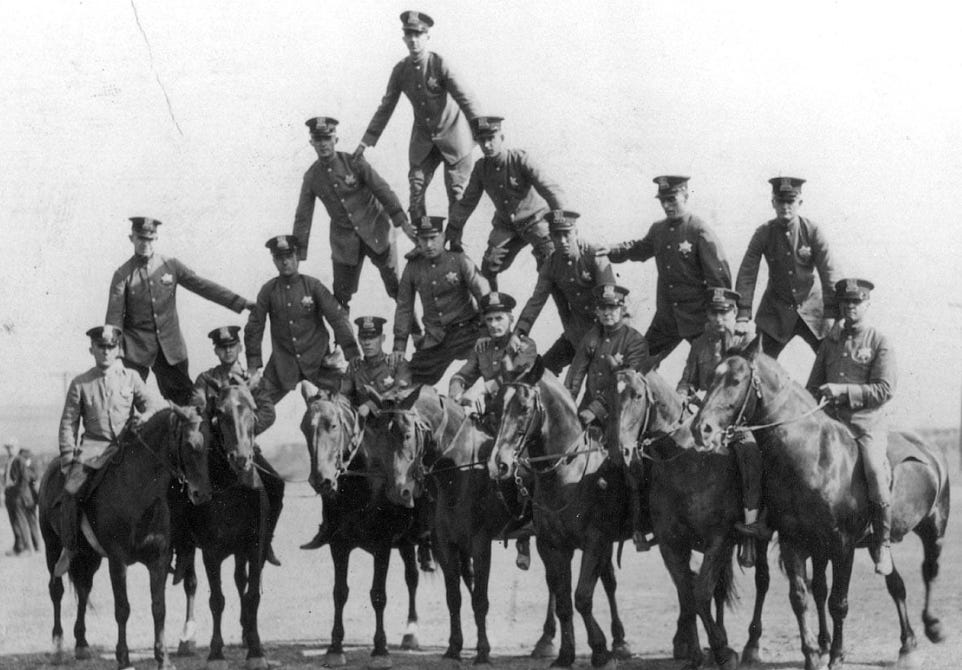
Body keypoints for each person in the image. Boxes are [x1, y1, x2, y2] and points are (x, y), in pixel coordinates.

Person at [55, 325, 166, 577]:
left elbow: (154, 406)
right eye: (100, 347)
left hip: (127, 448)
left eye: (110, 347)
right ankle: (70, 547)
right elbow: (68, 423)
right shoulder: (80, 383)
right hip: (92, 450)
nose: (105, 352)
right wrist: (68, 458)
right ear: (91, 349)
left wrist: (145, 416)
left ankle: (164, 546)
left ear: (118, 349)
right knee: (71, 490)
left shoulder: (131, 378)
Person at [106, 217, 254, 405]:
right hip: (135, 350)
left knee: (187, 405)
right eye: (140, 238)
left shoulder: (170, 266)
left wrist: (240, 302)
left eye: (149, 239)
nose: (145, 243)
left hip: (171, 349)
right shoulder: (122, 274)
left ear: (156, 239)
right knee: (123, 401)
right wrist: (115, 356)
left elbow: (203, 286)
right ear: (131, 238)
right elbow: (114, 318)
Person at [806, 278, 895, 575]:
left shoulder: (878, 341)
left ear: (867, 304)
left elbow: (884, 389)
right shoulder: (829, 343)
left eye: (856, 302)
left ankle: (882, 543)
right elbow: (811, 387)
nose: (850, 308)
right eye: (846, 302)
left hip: (865, 423)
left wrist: (843, 391)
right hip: (830, 423)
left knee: (873, 468)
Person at [300, 315, 412, 551]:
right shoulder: (355, 368)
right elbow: (345, 393)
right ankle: (329, 526)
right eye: (363, 337)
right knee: (333, 468)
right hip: (363, 431)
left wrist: (372, 405)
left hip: (391, 429)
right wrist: (328, 399)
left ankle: (419, 530)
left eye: (372, 338)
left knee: (405, 467)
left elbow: (400, 393)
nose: (367, 342)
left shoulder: (396, 364)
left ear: (382, 338)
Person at [354, 11, 481, 220]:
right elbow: (386, 106)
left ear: (427, 37)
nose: (414, 40)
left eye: (418, 35)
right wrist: (366, 141)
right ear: (404, 38)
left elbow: (465, 97)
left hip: (455, 139)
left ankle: (454, 245)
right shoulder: (401, 70)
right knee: (416, 189)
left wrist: (482, 131)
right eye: (409, 35)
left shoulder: (439, 64)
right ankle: (422, 242)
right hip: (424, 143)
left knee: (457, 195)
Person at [676, 288, 770, 567]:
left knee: (750, 458)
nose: (719, 319)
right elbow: (686, 381)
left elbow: (756, 386)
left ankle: (750, 530)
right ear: (707, 315)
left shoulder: (748, 342)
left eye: (724, 313)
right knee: (671, 454)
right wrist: (683, 394)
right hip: (705, 419)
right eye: (714, 313)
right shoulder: (699, 345)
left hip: (739, 422)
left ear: (733, 314)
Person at [448, 291, 538, 569]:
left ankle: (524, 532)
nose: (495, 324)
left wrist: (484, 388)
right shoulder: (482, 347)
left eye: (500, 318)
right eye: (489, 319)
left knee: (523, 470)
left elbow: (517, 375)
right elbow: (463, 373)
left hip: (518, 422)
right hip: (490, 422)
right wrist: (455, 390)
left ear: (511, 318)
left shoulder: (524, 344)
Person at [602, 176, 732, 363]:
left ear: (685, 196)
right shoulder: (658, 230)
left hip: (698, 320)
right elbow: (638, 249)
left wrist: (718, 319)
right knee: (636, 363)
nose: (667, 206)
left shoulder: (699, 230)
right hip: (667, 319)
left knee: (714, 370)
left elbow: (719, 280)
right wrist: (612, 250)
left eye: (672, 199)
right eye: (663, 200)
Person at [292, 116, 416, 310]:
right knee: (340, 296)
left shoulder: (354, 162)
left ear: (336, 140)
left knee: (395, 288)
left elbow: (382, 189)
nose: (323, 144)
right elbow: (303, 217)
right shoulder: (312, 176)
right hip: (344, 243)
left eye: (327, 138)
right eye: (318, 140)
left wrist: (402, 221)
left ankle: (415, 333)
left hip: (377, 231)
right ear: (311, 143)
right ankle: (345, 340)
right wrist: (297, 254)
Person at [186, 326, 284, 568]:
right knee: (183, 486)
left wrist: (244, 432)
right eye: (223, 347)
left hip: (245, 449)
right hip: (215, 450)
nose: (228, 351)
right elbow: (197, 407)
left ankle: (266, 540)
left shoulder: (253, 381)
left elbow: (268, 412)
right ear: (216, 351)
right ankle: (184, 546)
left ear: (240, 347)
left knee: (276, 484)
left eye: (232, 346)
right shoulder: (206, 379)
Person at [444, 116, 565, 290]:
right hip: (506, 227)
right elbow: (467, 203)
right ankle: (494, 309)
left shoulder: (520, 159)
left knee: (551, 265)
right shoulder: (481, 168)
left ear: (501, 138)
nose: (487, 145)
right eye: (481, 140)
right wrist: (451, 230)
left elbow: (550, 189)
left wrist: (561, 222)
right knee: (489, 267)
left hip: (536, 221)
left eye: (491, 138)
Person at [245, 235, 360, 404]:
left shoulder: (313, 286)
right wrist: (253, 367)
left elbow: (338, 318)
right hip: (282, 366)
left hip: (319, 362)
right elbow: (255, 326)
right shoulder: (268, 290)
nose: (285, 262)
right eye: (279, 258)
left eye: (289, 256)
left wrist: (352, 354)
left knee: (354, 397)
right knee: (252, 406)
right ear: (274, 261)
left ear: (297, 256)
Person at [734, 177, 841, 357]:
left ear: (800, 202)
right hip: (776, 312)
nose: (785, 206)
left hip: (813, 311)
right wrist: (742, 316)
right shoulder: (763, 232)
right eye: (780, 201)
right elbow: (747, 273)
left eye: (790, 201)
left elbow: (829, 271)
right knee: (756, 363)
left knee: (833, 360)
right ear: (773, 203)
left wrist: (833, 314)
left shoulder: (813, 231)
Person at [513, 210, 615, 375]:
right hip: (577, 332)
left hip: (606, 333)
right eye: (556, 235)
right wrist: (518, 333)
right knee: (542, 372)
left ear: (576, 232)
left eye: (566, 234)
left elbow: (609, 302)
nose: (562, 241)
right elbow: (535, 302)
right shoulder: (551, 265)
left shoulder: (594, 256)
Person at [393, 215, 489, 385]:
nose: (429, 245)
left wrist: (485, 332)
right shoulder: (413, 267)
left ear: (443, 237)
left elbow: (484, 295)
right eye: (424, 239)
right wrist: (399, 345)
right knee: (408, 382)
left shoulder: (459, 260)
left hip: (467, 333)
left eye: (433, 238)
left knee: (492, 364)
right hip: (436, 339)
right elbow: (404, 307)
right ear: (418, 241)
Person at [565, 284, 650, 430]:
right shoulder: (591, 337)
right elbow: (575, 375)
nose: (607, 313)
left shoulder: (635, 341)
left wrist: (595, 410)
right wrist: (567, 404)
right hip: (586, 412)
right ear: (597, 311)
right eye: (602, 308)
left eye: (612, 308)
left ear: (622, 310)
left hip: (622, 415)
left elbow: (626, 384)